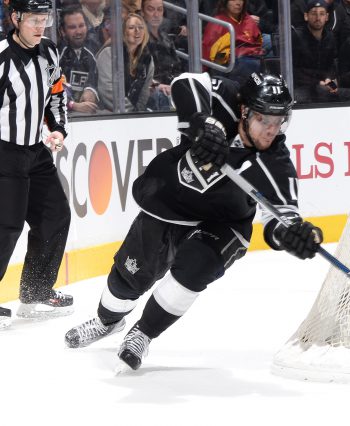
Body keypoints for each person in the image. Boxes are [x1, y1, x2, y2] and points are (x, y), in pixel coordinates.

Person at [63, 72, 323, 370]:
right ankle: (107, 321)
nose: (271, 131)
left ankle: (143, 334)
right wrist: (200, 122)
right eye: (264, 120)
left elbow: (283, 217)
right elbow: (184, 81)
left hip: (224, 223)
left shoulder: (275, 161)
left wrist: (293, 236)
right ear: (245, 111)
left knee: (195, 269)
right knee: (128, 280)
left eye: (279, 123)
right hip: (171, 203)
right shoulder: (226, 97)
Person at [0, 0, 73, 329]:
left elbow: (56, 95)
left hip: (36, 151)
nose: (40, 25)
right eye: (33, 19)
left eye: (44, 19)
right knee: (7, 226)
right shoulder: (1, 56)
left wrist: (57, 129)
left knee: (55, 215)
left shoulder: (49, 52)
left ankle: (35, 291)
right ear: (15, 18)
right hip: (4, 151)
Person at [292, 0, 350, 103]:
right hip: (303, 87)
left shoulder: (329, 37)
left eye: (321, 14)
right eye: (313, 14)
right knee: (300, 97)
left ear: (327, 17)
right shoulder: (297, 36)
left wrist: (329, 80)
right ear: (306, 16)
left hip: (324, 85)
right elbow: (295, 70)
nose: (318, 18)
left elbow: (331, 66)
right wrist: (317, 82)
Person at [96, 13, 155, 112]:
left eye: (141, 27)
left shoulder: (148, 59)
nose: (137, 31)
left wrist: (138, 113)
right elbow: (108, 91)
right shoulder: (109, 53)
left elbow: (144, 94)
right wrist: (130, 113)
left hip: (134, 115)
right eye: (131, 27)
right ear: (123, 32)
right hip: (107, 114)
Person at [202, 0, 264, 84]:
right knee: (247, 64)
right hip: (225, 64)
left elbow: (258, 43)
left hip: (251, 58)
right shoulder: (217, 23)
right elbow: (209, 56)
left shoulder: (248, 20)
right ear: (225, 2)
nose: (238, 3)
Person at [141, 0, 185, 111]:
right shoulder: (139, 38)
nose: (156, 14)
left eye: (159, 10)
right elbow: (138, 74)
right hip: (152, 90)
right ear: (142, 12)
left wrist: (177, 85)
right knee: (161, 97)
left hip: (171, 87)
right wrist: (158, 86)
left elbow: (177, 68)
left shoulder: (165, 37)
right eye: (151, 9)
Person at [58, 6, 100, 115]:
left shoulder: (94, 50)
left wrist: (91, 91)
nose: (78, 31)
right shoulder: (55, 55)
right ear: (63, 31)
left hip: (88, 114)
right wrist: (72, 105)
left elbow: (95, 81)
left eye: (81, 26)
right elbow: (50, 91)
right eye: (72, 27)